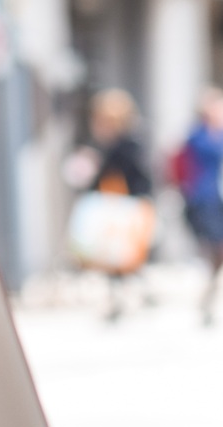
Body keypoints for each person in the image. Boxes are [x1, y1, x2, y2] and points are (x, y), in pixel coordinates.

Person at [63, 88, 154, 319]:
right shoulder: (102, 145)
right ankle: (121, 298)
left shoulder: (125, 146)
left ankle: (133, 295)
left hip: (123, 208)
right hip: (111, 208)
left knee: (125, 255)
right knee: (111, 257)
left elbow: (139, 178)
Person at [173, 88, 223, 324]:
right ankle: (208, 292)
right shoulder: (199, 136)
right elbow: (221, 151)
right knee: (218, 247)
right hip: (206, 200)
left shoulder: (217, 134)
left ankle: (210, 291)